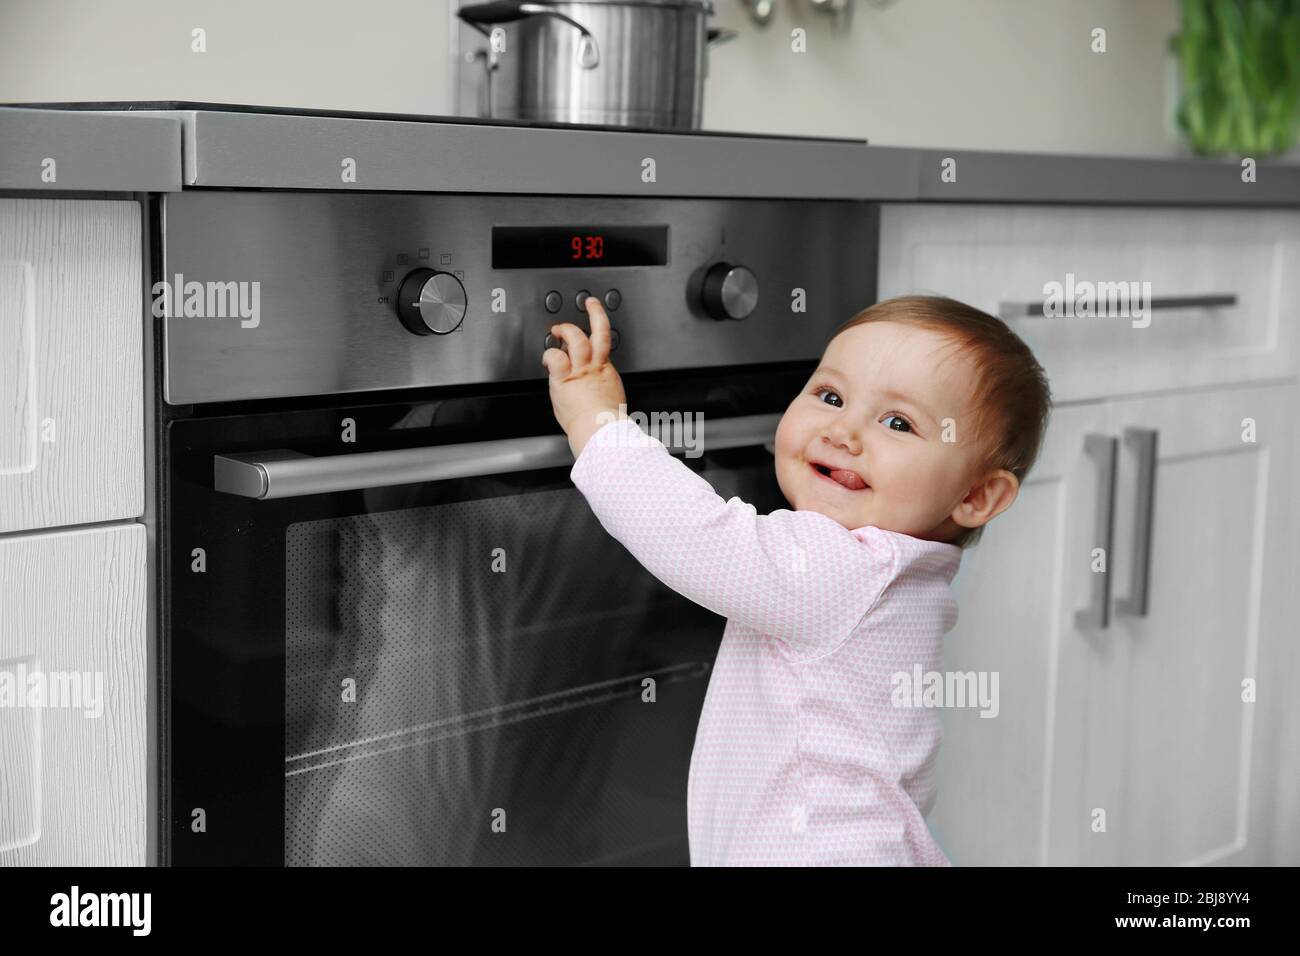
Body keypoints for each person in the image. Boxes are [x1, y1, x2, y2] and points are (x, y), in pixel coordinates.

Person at [542, 293, 1052, 865]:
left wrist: (598, 422)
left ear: (977, 495)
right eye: (831, 396)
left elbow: (694, 536)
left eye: (898, 423)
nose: (843, 431)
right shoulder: (910, 578)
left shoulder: (846, 569)